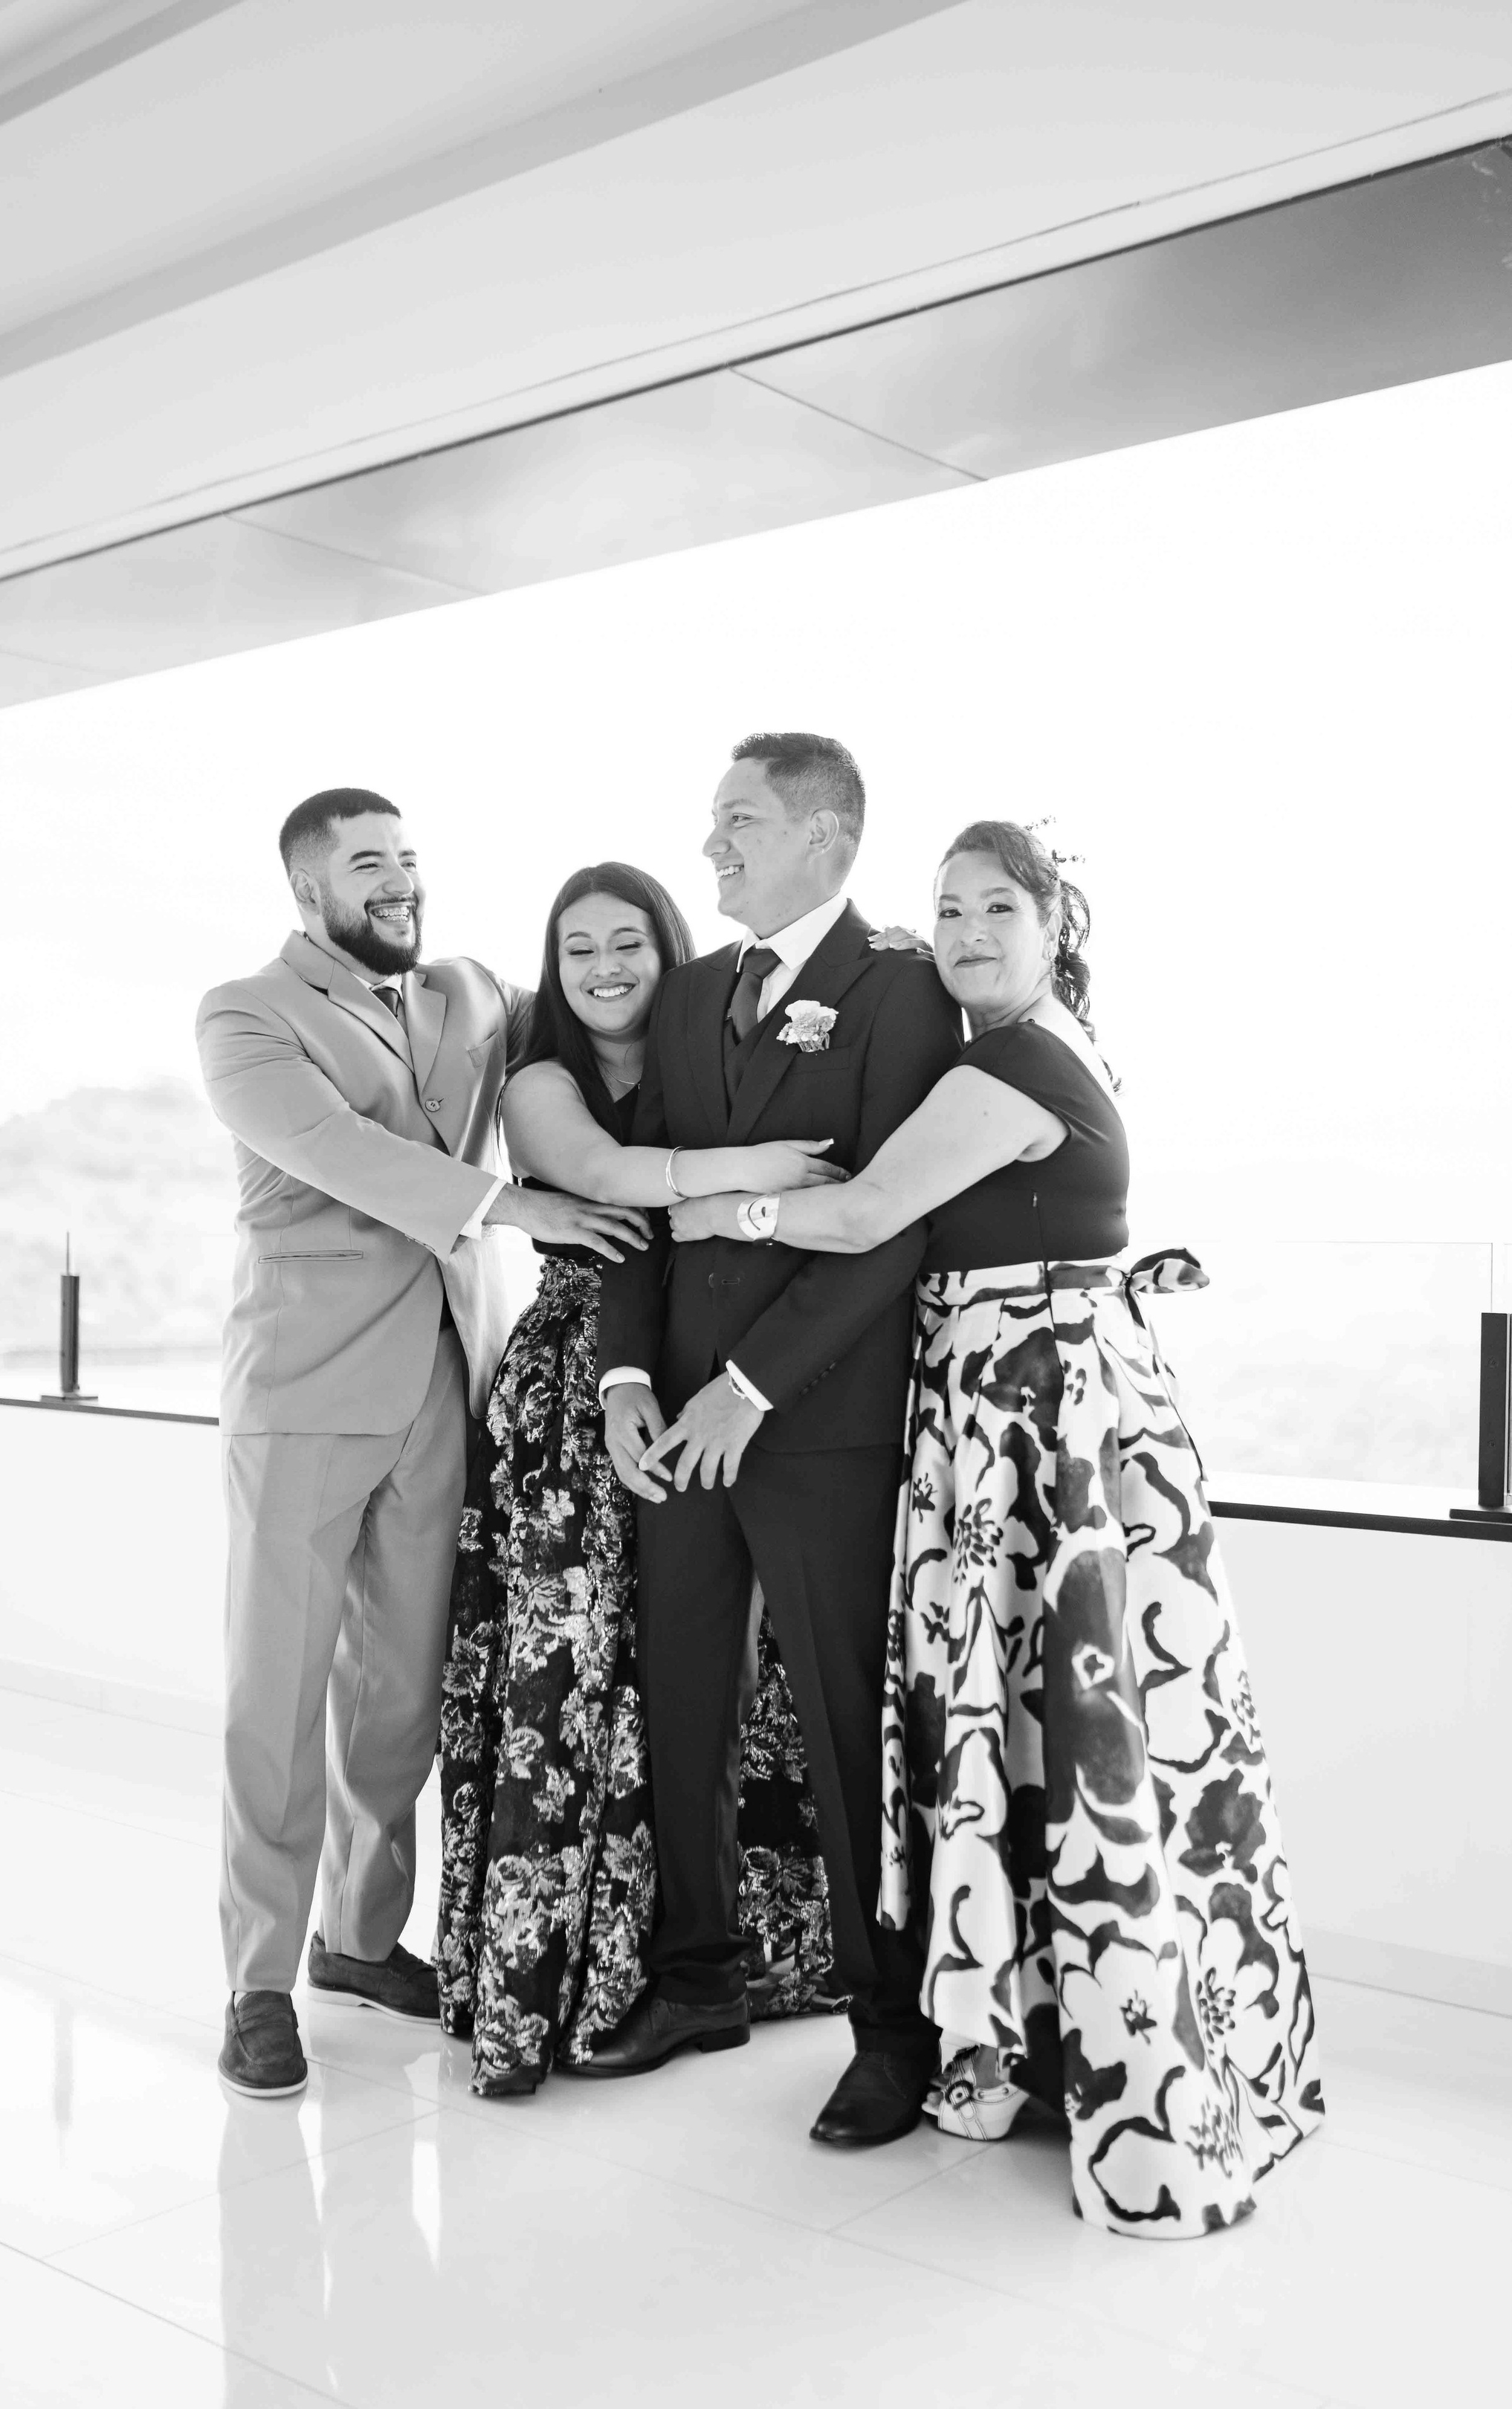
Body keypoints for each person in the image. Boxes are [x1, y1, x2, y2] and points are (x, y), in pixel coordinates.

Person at [669, 818, 1324, 2233]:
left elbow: (860, 1221)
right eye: (945, 911)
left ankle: (1112, 2066)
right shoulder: (1055, 1042)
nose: (964, 934)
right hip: (1048, 1405)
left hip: (1032, 1419)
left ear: (1050, 927)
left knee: (1060, 1728)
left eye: (993, 912)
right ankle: (1063, 2039)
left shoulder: (1006, 1062)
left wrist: (706, 1201)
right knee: (1050, 1728)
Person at [196, 787, 648, 2100]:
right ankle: (257, 1984)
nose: (397, 882)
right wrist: (525, 1208)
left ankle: (355, 1935)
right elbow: (337, 1151)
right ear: (307, 891)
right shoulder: (244, 1015)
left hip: (441, 1393)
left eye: (407, 859)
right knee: (274, 1703)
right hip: (301, 1390)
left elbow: (602, 990)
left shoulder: (467, 993)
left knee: (399, 1694)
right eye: (365, 866)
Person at [585, 734, 964, 2152]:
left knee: (835, 1724)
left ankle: (890, 2030)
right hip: (672, 1412)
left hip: (814, 1425)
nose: (712, 848)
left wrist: (747, 1388)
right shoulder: (690, 997)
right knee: (680, 1697)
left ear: (824, 834)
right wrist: (629, 1376)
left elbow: (892, 1224)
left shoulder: (903, 990)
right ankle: (697, 1979)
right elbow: (642, 1201)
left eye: (737, 822)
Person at [437, 862, 856, 2096]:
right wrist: (760, 1170)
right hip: (579, 1385)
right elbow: (614, 1185)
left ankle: (721, 1957)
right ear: (554, 970)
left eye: (628, 942)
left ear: (668, 950)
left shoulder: (704, 1056)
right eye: (579, 950)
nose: (605, 966)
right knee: (570, 1675)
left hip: (712, 1377)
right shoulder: (543, 1078)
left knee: (696, 1679)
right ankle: (564, 1974)